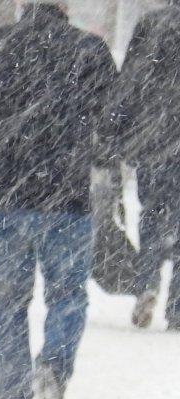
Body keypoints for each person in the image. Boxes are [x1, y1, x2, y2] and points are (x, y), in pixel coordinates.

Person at [0, 1, 119, 399]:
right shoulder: (89, 51)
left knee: (9, 298)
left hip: (5, 194)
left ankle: (11, 392)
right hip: (68, 197)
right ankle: (53, 369)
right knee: (67, 295)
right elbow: (115, 120)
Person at [114, 0, 180, 331]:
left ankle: (146, 283)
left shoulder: (152, 25)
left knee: (153, 212)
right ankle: (179, 307)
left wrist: (121, 130)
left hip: (155, 138)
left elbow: (131, 80)